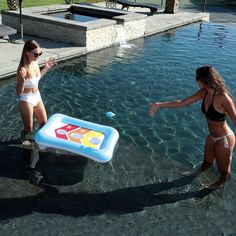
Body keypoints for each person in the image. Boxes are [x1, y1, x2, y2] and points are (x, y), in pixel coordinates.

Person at [149, 65, 236, 189]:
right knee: (207, 161)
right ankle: (196, 173)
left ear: (206, 79)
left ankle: (220, 183)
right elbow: (182, 102)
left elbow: (235, 118)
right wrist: (159, 104)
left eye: (198, 78)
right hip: (212, 136)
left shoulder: (223, 98)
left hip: (225, 139)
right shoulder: (204, 93)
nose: (196, 81)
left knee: (224, 169)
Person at [16, 40, 56, 184]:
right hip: (26, 99)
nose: (38, 56)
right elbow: (18, 92)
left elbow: (37, 79)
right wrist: (21, 80)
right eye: (35, 54)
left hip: (37, 96)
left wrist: (46, 68)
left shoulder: (34, 63)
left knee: (44, 124)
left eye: (40, 53)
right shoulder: (23, 68)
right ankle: (26, 150)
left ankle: (42, 148)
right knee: (29, 129)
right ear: (27, 52)